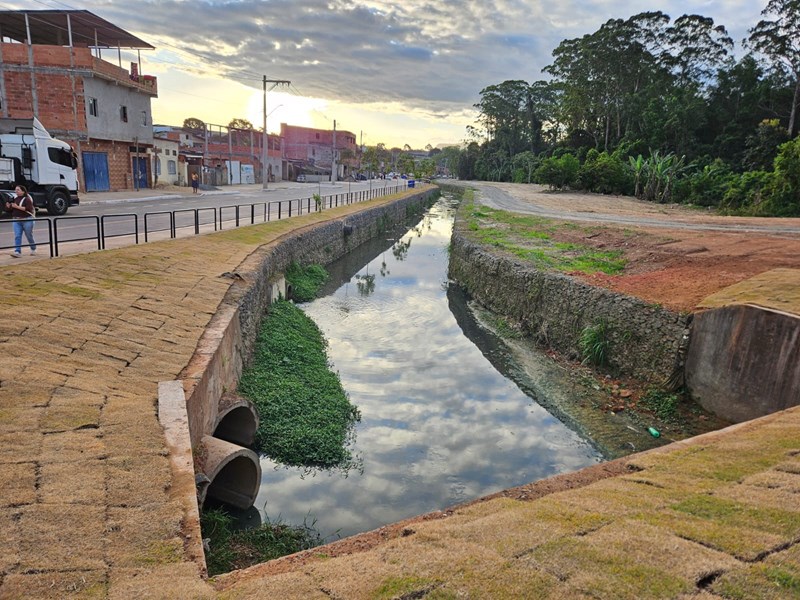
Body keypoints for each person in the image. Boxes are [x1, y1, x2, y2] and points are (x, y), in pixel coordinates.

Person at [6, 185, 37, 258]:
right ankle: (17, 251)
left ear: (23, 191)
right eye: (15, 190)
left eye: (18, 190)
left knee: (28, 235)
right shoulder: (15, 199)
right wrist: (8, 206)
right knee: (17, 236)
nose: (16, 191)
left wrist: (17, 207)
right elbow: (11, 209)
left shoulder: (27, 199)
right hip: (16, 219)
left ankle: (33, 248)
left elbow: (29, 209)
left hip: (27, 219)